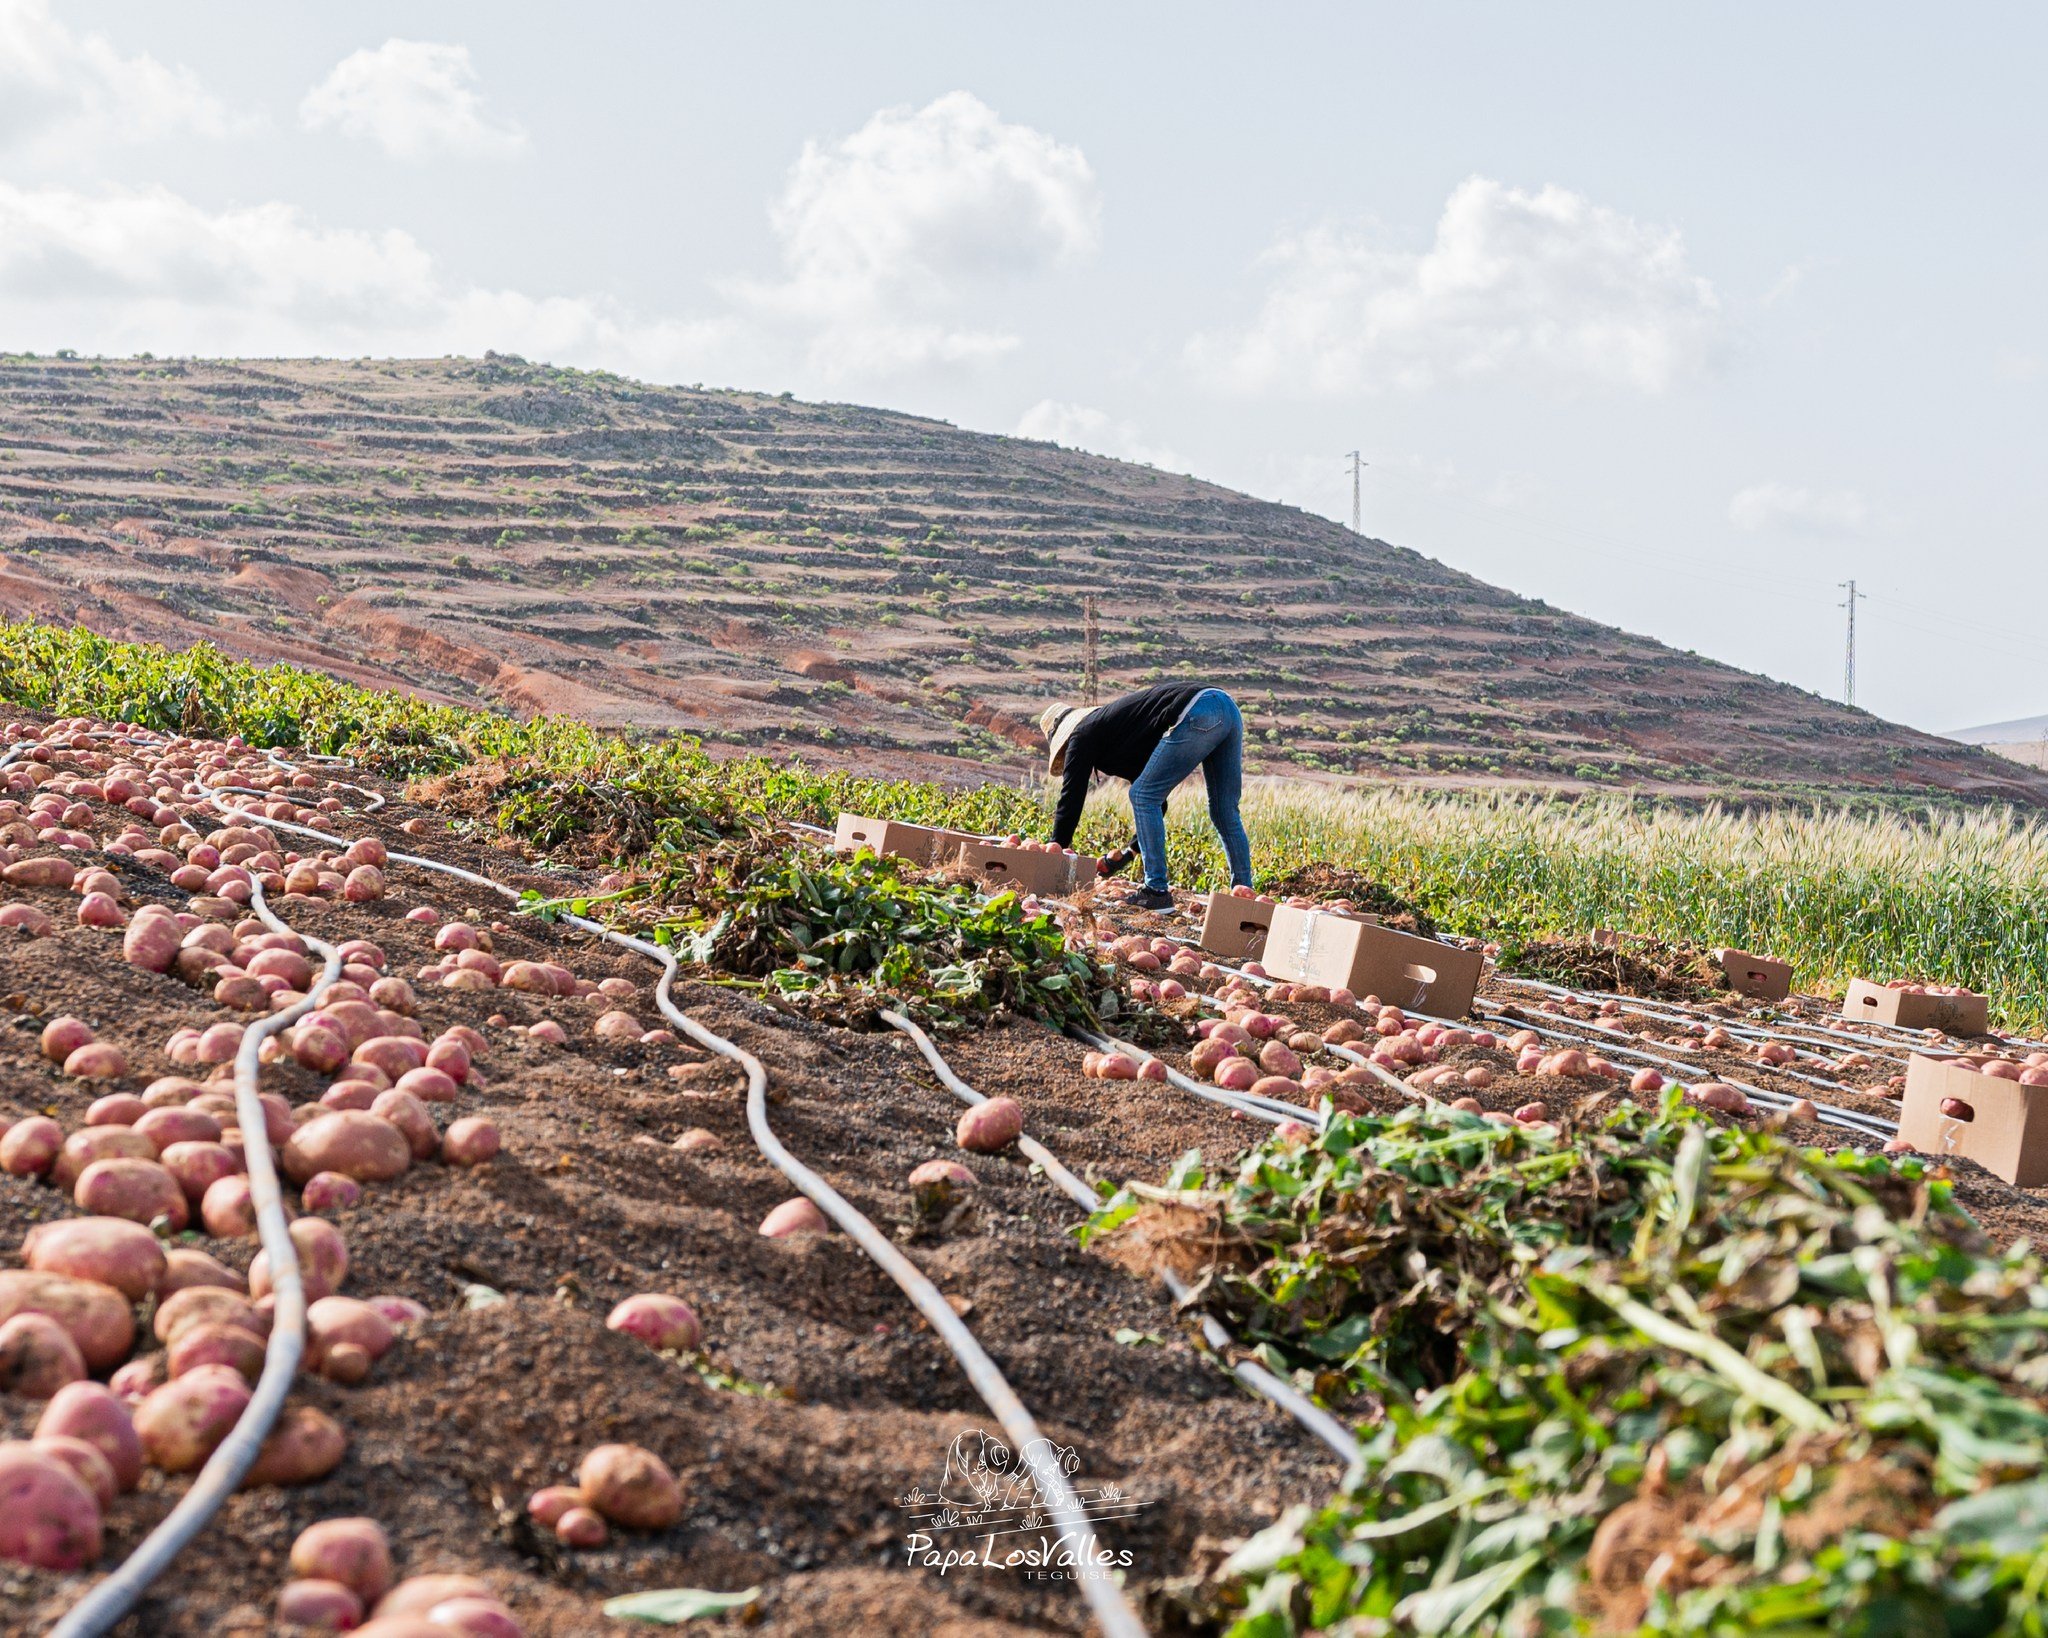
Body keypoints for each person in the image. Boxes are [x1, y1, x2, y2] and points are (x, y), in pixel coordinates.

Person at [1040, 683, 1254, 911]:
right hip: (1227, 708)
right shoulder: (1120, 734)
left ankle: (1156, 891)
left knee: (1141, 795)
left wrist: (1058, 846)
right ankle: (1245, 896)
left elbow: (1072, 794)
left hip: (1198, 709)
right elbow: (1157, 803)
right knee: (1224, 811)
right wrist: (1127, 853)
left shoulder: (1082, 734)